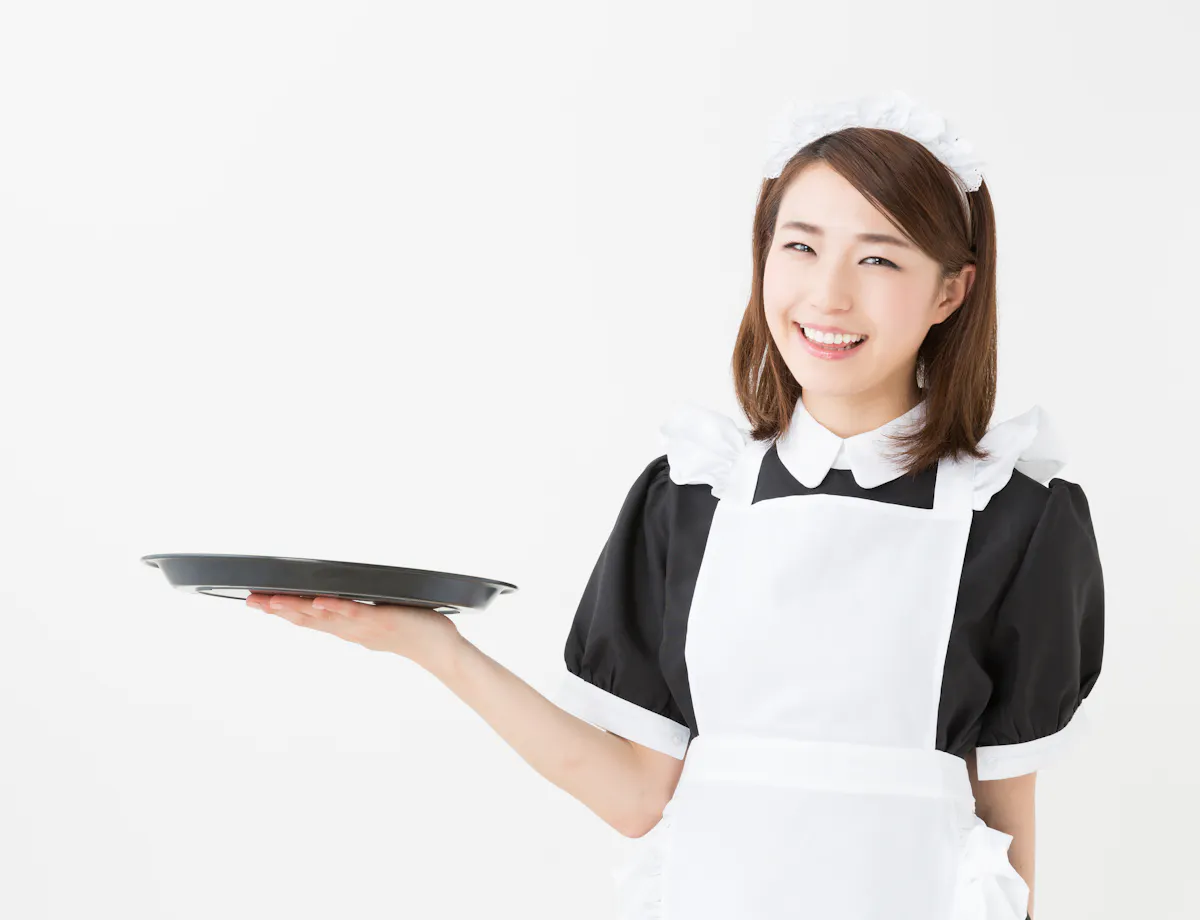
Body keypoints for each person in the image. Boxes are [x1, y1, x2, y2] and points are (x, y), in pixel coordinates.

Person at [248, 90, 1103, 920]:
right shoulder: (690, 498)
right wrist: (434, 646)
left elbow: (1007, 831)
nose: (828, 296)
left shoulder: (1016, 518)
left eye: (878, 258)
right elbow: (637, 795)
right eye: (799, 247)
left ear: (950, 292)